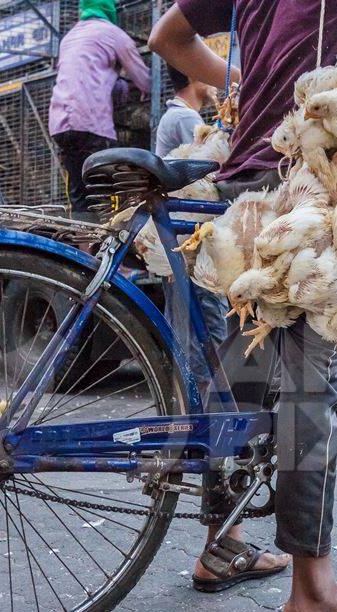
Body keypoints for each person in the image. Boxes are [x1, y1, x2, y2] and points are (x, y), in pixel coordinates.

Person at [150, 0, 337, 612]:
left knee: (242, 377)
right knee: (311, 389)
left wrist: (245, 86)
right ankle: (314, 592)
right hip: (313, 184)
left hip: (245, 181)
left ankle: (223, 545)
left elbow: (167, 35)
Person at [155, 63, 227, 390]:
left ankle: (181, 395)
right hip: (189, 236)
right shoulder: (186, 119)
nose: (215, 82)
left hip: (178, 234)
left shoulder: (178, 116)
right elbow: (211, 171)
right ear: (192, 74)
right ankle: (205, 395)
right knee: (209, 318)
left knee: (181, 319)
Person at [49, 0, 150, 217]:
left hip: (60, 126)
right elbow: (144, 79)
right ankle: (104, 247)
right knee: (105, 194)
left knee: (78, 194)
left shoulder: (69, 38)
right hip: (92, 125)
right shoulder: (113, 33)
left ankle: (82, 248)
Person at [155, 63, 216, 157]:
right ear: (192, 75)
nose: (214, 82)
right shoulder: (185, 116)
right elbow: (206, 163)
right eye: (207, 75)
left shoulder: (177, 113)